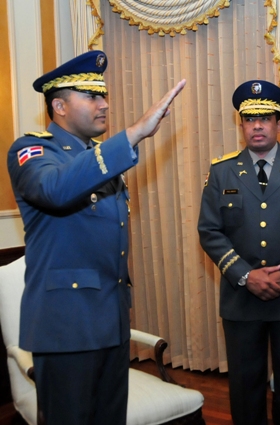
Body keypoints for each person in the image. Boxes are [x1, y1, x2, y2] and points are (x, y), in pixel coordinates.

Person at [7, 50, 185, 424]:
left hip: (111, 322)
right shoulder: (33, 150)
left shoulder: (101, 157)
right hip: (67, 327)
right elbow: (54, 190)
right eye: (91, 96)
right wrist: (133, 134)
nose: (104, 104)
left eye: (103, 95)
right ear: (59, 106)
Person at [198, 80, 280, 425]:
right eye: (249, 119)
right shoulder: (222, 171)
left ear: (279, 124)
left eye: (265, 118)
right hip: (241, 299)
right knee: (245, 386)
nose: (256, 125)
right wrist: (246, 275)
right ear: (241, 124)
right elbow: (209, 231)